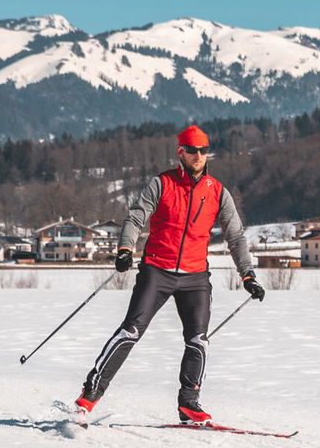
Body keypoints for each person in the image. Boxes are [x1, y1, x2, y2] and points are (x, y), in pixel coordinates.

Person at [74, 125, 263, 423]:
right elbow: (136, 216)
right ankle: (89, 395)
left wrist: (248, 275)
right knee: (131, 331)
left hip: (195, 277)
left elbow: (236, 237)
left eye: (203, 150)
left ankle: (189, 404)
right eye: (192, 150)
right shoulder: (162, 183)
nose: (198, 156)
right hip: (157, 270)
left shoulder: (218, 192)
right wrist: (125, 248)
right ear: (181, 153)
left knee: (198, 340)